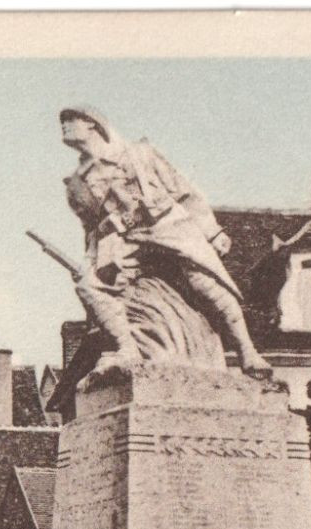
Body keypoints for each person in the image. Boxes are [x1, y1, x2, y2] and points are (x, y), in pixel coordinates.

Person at [59, 106, 273, 378]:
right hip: (122, 239)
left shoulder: (139, 152)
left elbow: (183, 191)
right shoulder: (76, 184)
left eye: (70, 119)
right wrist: (89, 262)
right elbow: (90, 230)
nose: (63, 125)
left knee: (205, 280)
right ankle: (127, 350)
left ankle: (248, 352)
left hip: (165, 224)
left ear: (92, 124)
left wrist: (212, 232)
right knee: (89, 285)